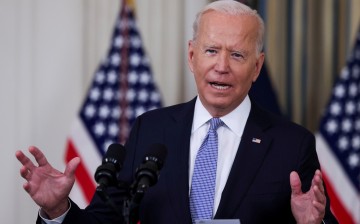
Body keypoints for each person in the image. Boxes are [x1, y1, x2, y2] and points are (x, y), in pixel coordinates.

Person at [15, 1, 338, 223]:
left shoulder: (291, 144)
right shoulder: (151, 130)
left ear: (257, 67)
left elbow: (314, 214)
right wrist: (58, 208)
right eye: (211, 51)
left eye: (237, 55)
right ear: (192, 55)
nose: (221, 66)